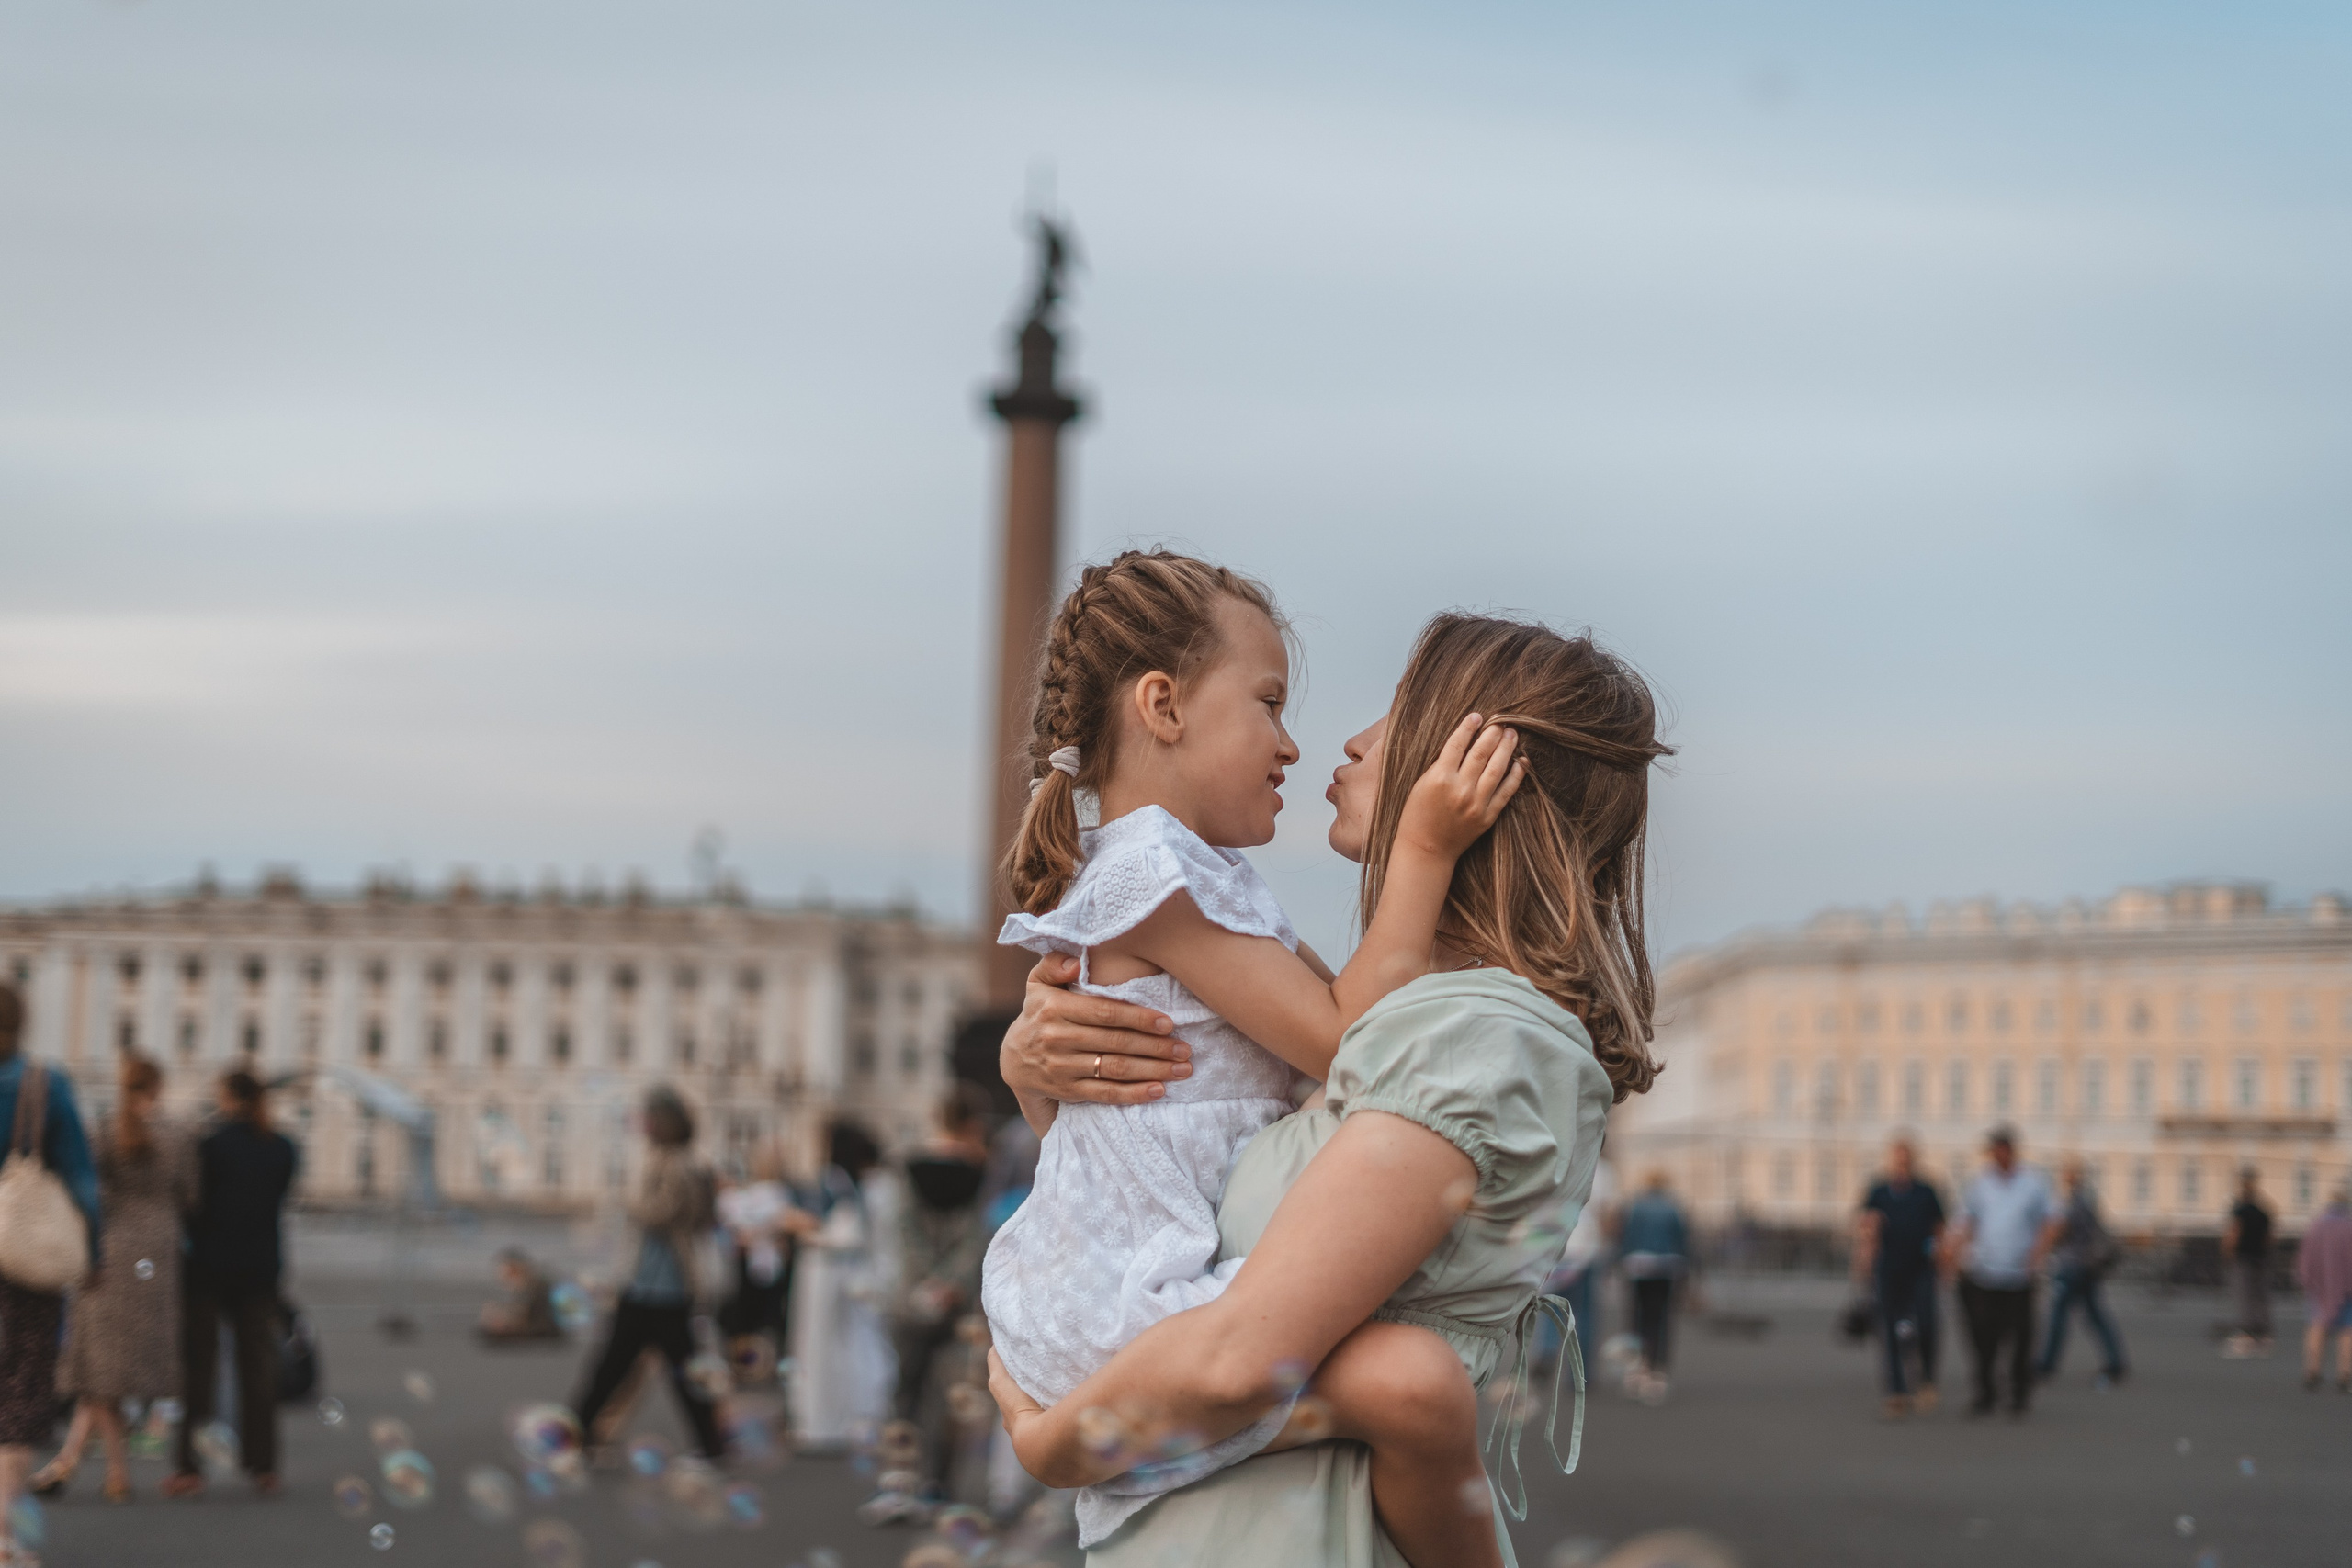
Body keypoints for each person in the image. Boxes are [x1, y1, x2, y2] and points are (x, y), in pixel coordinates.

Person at [988, 609, 1669, 1568]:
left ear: (1473, 766)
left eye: (1395, 713)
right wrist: (1038, 1068)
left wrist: (1052, 1445)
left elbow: (1248, 1360)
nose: (1343, 741)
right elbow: (1163, 1167)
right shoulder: (1420, 1027)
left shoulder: (1473, 1039)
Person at [35, 1055, 195, 1502]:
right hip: (159, 1256)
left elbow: (87, 1192)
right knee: (113, 1373)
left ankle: (111, 1472)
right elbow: (191, 1194)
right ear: (158, 1087)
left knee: (100, 1370)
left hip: (110, 1252)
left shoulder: (104, 1131)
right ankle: (71, 1462)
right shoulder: (180, 1135)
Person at [0, 982, 102, 1564]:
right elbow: (81, 1179)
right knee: (19, 1393)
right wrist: (95, 1253)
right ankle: (7, 1537)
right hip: (25, 1256)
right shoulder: (42, 1084)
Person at [161, 1068, 299, 1499]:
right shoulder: (282, 1147)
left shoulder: (209, 1145)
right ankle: (263, 1466)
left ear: (226, 1097)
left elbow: (189, 1202)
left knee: (198, 1369)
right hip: (260, 1268)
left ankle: (189, 1465)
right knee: (258, 1369)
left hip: (206, 1268)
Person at [571, 1087, 724, 1460]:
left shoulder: (675, 1163)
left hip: (658, 1281)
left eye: (650, 1118)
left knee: (618, 1364)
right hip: (656, 1281)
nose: (644, 1125)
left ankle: (578, 1432)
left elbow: (663, 1213)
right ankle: (710, 1443)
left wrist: (629, 1204)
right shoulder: (679, 1160)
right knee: (648, 1366)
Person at [888, 1089, 993, 1498]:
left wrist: (923, 1282)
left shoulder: (909, 1168)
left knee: (906, 1388)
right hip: (959, 1301)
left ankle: (899, 1475)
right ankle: (940, 1482)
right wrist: (950, 1282)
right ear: (970, 1126)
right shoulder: (980, 1172)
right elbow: (976, 1238)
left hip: (910, 1295)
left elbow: (903, 1231)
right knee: (953, 1392)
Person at [788, 1120, 898, 1449]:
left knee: (820, 1345)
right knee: (853, 1345)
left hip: (824, 1271)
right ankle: (852, 1416)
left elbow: (819, 1228)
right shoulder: (868, 1184)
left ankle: (821, 1419)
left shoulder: (833, 1181)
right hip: (851, 1271)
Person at [1944, 1126, 2059, 1419]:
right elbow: (1965, 1221)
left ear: (2011, 1150)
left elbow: (2051, 1221)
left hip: (2020, 1274)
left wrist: (2038, 1252)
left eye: (2003, 1149)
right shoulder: (1980, 1184)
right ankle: (1985, 1393)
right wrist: (1951, 1254)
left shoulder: (2033, 1182)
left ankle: (2019, 1394)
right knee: (1983, 1336)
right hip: (1984, 1272)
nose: (1999, 1155)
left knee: (2021, 1337)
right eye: (1994, 1150)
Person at [1854, 1135, 1945, 1417]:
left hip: (1921, 1268)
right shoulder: (1879, 1191)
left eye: (1906, 1157)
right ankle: (1896, 1390)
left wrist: (1945, 1261)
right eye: (1897, 1157)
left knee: (1927, 1324)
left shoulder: (1926, 1191)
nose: (1901, 1163)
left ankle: (1926, 1377)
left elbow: (1940, 1228)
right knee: (1889, 1329)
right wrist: (1865, 1253)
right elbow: (1865, 1227)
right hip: (1888, 1268)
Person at [2035, 1157, 2126, 1387]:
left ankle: (2047, 1364)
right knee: (2095, 1315)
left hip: (2072, 1266)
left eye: (2067, 1173)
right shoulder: (2087, 1199)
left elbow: (2059, 1230)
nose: (2064, 1177)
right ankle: (2115, 1361)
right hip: (2086, 1267)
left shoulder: (2075, 1203)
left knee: (2058, 1316)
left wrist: (2041, 1245)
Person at [716, 1145, 804, 1366]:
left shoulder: (745, 1197)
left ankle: (747, 1363)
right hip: (766, 1266)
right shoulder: (775, 1194)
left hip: (750, 1266)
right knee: (768, 1319)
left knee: (747, 1319)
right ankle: (761, 1362)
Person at [1538, 1144, 1616, 1377]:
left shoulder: (1560, 1165)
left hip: (1560, 1248)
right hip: (1589, 1250)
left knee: (1554, 1304)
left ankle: (1549, 1349)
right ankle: (1579, 1371)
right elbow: (1607, 1215)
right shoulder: (1603, 1170)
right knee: (1586, 1313)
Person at [1615, 1171, 1690, 1404]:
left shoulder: (1636, 1206)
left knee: (1637, 1318)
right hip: (1667, 1266)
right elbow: (1683, 1238)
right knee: (1661, 1319)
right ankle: (1658, 1370)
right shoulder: (1673, 1207)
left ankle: (1638, 1368)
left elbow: (1625, 1236)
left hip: (1638, 1265)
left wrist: (1619, 1262)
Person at [2299, 1186, 2352, 1393]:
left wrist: (2306, 1280)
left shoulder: (2316, 1226)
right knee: (2347, 1330)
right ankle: (2345, 1374)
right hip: (2347, 1288)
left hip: (2319, 1288)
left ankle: (2312, 1370)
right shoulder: (2349, 1226)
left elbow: (2306, 1257)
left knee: (2317, 1326)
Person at [2222, 1167, 2275, 1355]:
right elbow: (2269, 1237)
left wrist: (2227, 1253)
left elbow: (2233, 1234)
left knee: (2244, 1296)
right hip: (2260, 1257)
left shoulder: (2240, 1209)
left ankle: (2246, 1334)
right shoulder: (2263, 1211)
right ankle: (2264, 1334)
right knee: (2260, 1296)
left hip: (2243, 1257)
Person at [477, 1246, 563, 1343]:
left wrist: (501, 1320)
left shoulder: (536, 1288)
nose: (503, 1280)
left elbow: (527, 1320)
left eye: (507, 1274)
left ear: (517, 1270)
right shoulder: (531, 1287)